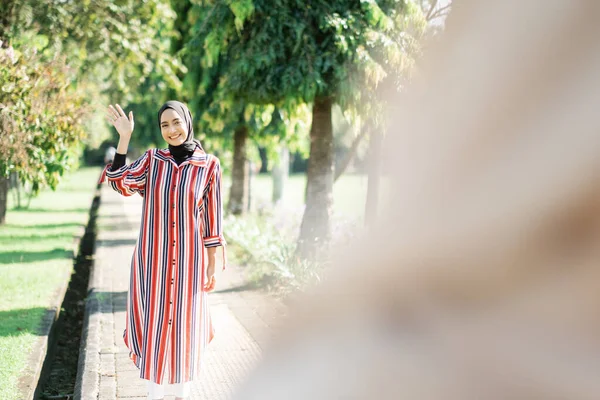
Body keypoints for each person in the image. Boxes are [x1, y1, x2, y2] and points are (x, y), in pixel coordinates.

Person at [99, 101, 226, 400]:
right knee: (154, 325)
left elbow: (213, 222)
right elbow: (119, 182)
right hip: (151, 262)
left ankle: (181, 394)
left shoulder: (209, 166)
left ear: (188, 121)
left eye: (176, 122)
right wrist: (124, 138)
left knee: (185, 327)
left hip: (188, 264)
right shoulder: (152, 161)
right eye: (164, 125)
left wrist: (211, 265)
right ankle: (153, 395)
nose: (171, 130)